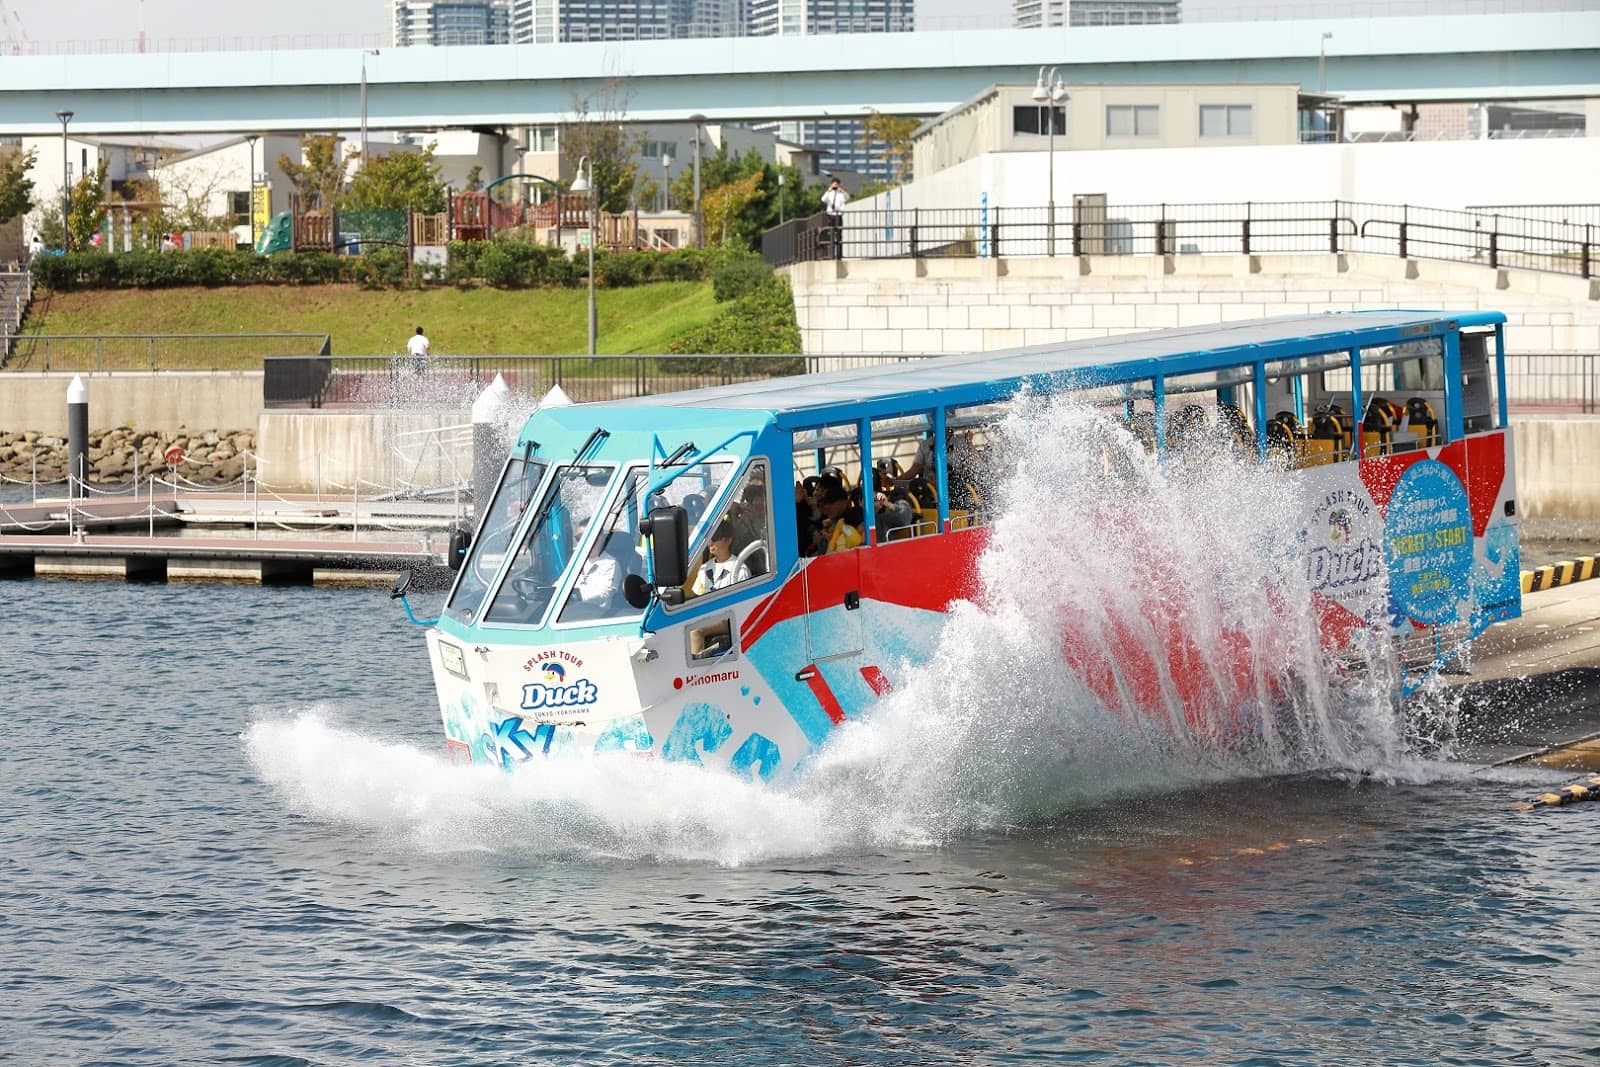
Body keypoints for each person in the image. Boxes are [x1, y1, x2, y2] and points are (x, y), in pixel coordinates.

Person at [692, 521, 751, 596]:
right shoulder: (704, 568)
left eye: (715, 537)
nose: (710, 543)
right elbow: (696, 596)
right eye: (708, 538)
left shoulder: (740, 570)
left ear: (729, 540)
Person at [818, 485, 864, 554]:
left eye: (830, 502)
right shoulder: (834, 521)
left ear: (842, 501)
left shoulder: (855, 515)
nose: (827, 507)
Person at [821, 177, 848, 260]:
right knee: (831, 234)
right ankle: (831, 254)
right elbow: (823, 199)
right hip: (830, 215)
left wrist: (842, 191)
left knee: (839, 235)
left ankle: (839, 255)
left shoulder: (841, 194)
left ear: (839, 185)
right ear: (831, 184)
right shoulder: (829, 193)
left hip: (838, 215)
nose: (835, 186)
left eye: (837, 184)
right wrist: (828, 190)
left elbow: (847, 198)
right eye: (834, 184)